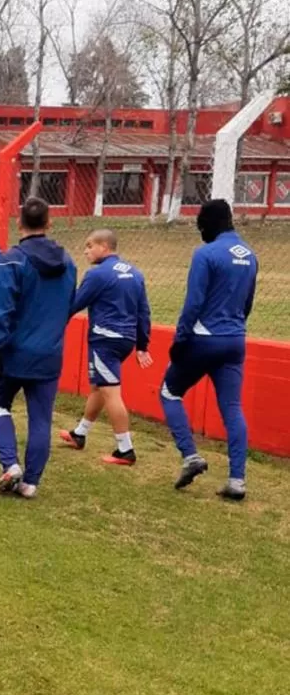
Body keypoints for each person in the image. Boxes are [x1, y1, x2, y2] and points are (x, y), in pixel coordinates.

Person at [159, 199, 258, 500]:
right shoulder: (250, 256)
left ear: (208, 224)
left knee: (169, 392)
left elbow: (193, 304)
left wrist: (179, 341)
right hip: (235, 340)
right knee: (232, 408)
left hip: (203, 338)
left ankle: (190, 455)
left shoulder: (205, 254)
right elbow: (248, 304)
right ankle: (237, 480)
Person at [0, 197, 77, 498]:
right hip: (49, 352)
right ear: (50, 223)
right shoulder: (68, 262)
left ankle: (10, 463)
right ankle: (31, 482)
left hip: (13, 351)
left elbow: (1, 309)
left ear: (19, 223)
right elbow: (68, 304)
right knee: (41, 419)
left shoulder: (11, 259)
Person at [61, 229, 152, 465]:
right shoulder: (135, 273)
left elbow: (74, 305)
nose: (85, 251)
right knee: (99, 387)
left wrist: (51, 322)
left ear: (104, 247)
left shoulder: (98, 274)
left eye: (90, 245)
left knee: (110, 392)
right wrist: (142, 345)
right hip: (126, 340)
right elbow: (143, 312)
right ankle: (79, 434)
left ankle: (125, 450)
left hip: (105, 339)